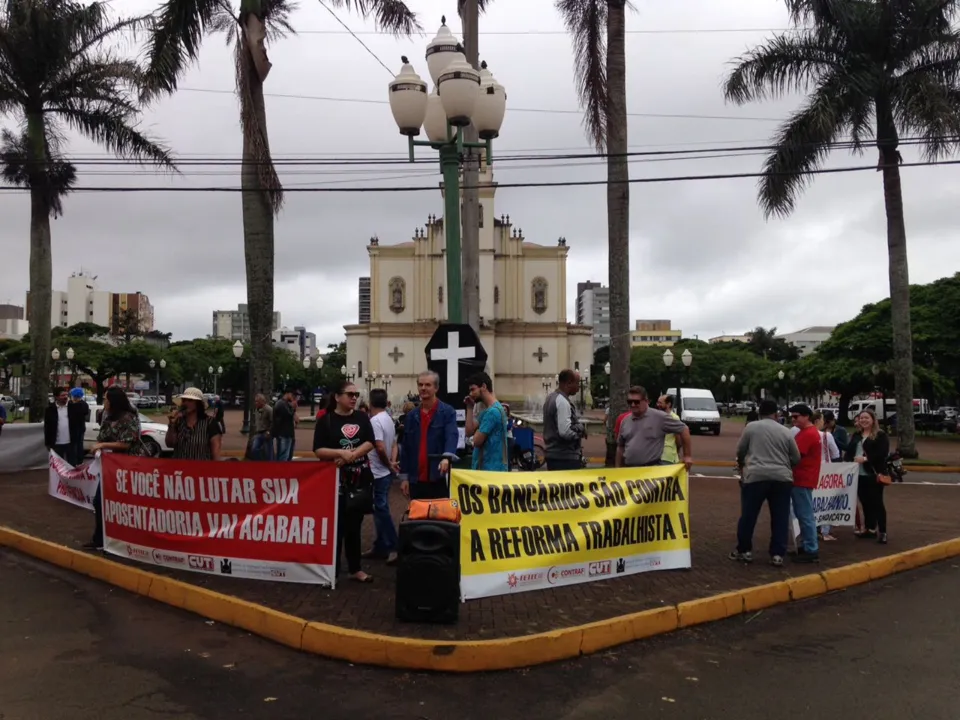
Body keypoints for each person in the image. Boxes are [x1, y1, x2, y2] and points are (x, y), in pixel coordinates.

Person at [313, 380, 375, 582]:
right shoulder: (326, 420)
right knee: (335, 527)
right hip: (334, 482)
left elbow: (370, 442)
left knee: (354, 527)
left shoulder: (362, 417)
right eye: (350, 394)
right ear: (337, 397)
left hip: (358, 481)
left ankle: (355, 568)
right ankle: (332, 570)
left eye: (356, 394)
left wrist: (352, 455)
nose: (354, 398)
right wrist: (339, 452)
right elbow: (318, 450)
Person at [730, 399, 801, 567]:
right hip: (782, 478)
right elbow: (796, 457)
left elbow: (741, 450)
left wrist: (742, 464)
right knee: (780, 517)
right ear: (776, 413)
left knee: (749, 515)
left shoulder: (751, 427)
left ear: (759, 413)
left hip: (756, 475)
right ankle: (777, 553)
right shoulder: (786, 431)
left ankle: (744, 550)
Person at [85, 387, 148, 551]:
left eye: (106, 398)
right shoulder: (107, 416)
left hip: (128, 466)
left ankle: (129, 539)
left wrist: (103, 445)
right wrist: (99, 447)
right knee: (99, 501)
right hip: (108, 465)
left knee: (126, 504)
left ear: (114, 400)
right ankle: (99, 539)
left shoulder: (129, 418)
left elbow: (126, 443)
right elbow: (102, 437)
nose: (104, 401)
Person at [398, 371, 459, 500]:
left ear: (436, 388)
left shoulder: (447, 412)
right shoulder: (411, 416)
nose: (423, 388)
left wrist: (446, 457)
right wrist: (404, 477)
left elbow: (452, 435)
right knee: (417, 517)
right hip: (416, 480)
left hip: (438, 478)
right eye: (420, 385)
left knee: (438, 517)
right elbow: (406, 448)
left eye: (427, 385)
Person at [363, 388, 400, 565]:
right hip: (383, 471)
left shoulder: (375, 421)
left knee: (381, 509)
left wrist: (387, 464)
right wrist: (392, 462)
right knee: (379, 510)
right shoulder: (388, 419)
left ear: (370, 403)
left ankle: (394, 545)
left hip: (378, 472)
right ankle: (380, 545)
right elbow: (394, 444)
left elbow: (378, 446)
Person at [617, 386, 693, 469]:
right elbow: (620, 447)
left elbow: (684, 429)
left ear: (646, 401)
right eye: (629, 402)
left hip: (651, 471)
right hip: (629, 471)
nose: (632, 404)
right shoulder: (625, 421)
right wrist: (618, 468)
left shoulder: (660, 417)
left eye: (636, 402)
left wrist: (687, 456)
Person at [845, 409, 890, 544]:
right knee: (864, 503)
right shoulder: (857, 435)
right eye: (861, 418)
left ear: (873, 420)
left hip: (873, 473)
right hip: (858, 474)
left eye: (867, 418)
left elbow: (882, 453)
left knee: (877, 503)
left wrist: (865, 459)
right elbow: (849, 451)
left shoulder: (880, 435)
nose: (863, 420)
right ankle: (870, 529)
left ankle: (883, 531)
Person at [789, 404, 822, 563]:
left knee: (805, 514)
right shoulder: (806, 432)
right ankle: (807, 545)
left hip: (802, 478)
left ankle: (811, 548)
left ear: (806, 416)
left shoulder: (808, 434)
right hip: (802, 478)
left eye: (796, 416)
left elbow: (795, 456)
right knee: (803, 513)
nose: (793, 419)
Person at [542, 369, 586, 471]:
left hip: (553, 455)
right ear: (569, 383)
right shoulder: (562, 401)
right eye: (577, 383)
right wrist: (580, 433)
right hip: (564, 458)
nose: (579, 388)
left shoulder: (550, 398)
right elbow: (565, 432)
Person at [465, 371, 509, 472]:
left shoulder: (492, 412)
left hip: (490, 470)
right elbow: (469, 432)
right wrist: (470, 407)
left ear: (484, 386)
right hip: (489, 469)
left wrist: (475, 435)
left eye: (473, 389)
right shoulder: (488, 410)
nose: (471, 394)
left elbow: (476, 441)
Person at [165, 387, 222, 460]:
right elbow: (170, 444)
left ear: (198, 404)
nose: (186, 403)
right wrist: (172, 425)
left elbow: (216, 452)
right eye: (184, 400)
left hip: (201, 469)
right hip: (180, 468)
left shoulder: (210, 423)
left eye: (190, 400)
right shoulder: (179, 422)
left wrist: (216, 469)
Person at [44, 387, 87, 465]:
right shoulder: (50, 409)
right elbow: (47, 427)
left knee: (72, 465)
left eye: (66, 395)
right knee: (58, 466)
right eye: (62, 395)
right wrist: (47, 442)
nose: (65, 397)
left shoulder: (74, 407)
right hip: (56, 443)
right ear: (56, 397)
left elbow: (81, 422)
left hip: (71, 443)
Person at [656, 394, 684, 465]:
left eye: (660, 403)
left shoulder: (674, 418)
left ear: (668, 404)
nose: (658, 405)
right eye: (657, 402)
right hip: (658, 455)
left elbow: (678, 440)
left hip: (667, 456)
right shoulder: (656, 416)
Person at [272, 389, 297, 461]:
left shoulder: (284, 404)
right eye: (292, 395)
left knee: (286, 454)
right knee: (283, 455)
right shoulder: (281, 404)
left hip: (287, 433)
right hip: (283, 433)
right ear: (287, 394)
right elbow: (289, 414)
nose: (293, 397)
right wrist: (294, 408)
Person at [68, 388, 90, 463]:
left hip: (74, 428)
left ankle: (74, 461)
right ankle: (79, 461)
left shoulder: (71, 405)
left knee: (74, 446)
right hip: (81, 427)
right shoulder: (84, 404)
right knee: (79, 445)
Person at [250, 394, 273, 460]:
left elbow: (273, 422)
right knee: (254, 449)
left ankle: (270, 466)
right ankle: (260, 462)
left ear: (262, 402)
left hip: (266, 433)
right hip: (258, 433)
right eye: (255, 401)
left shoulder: (269, 409)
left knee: (268, 452)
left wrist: (269, 431)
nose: (256, 403)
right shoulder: (256, 410)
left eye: (257, 401)